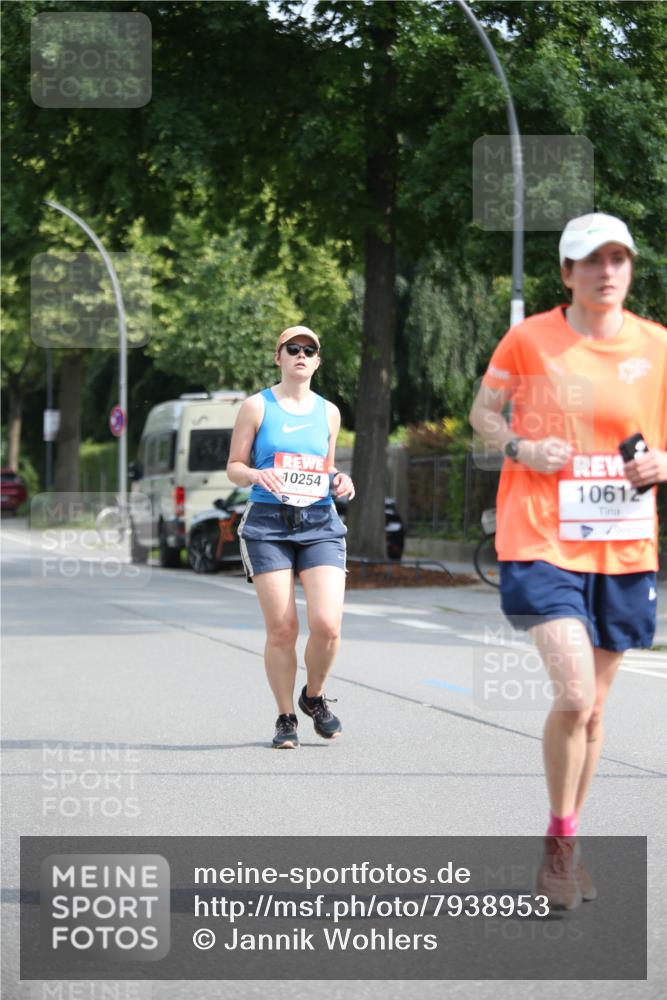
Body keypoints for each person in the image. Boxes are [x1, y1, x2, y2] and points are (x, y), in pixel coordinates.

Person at [469, 213, 667, 909]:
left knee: (595, 709)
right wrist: (520, 446)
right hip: (539, 540)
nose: (605, 271)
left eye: (617, 259)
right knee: (575, 694)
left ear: (629, 268)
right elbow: (482, 412)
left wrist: (659, 463)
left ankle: (567, 837)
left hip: (622, 543)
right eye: (590, 260)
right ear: (565, 273)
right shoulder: (530, 339)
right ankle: (558, 849)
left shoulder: (657, 346)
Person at [227, 326, 355, 749]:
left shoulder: (329, 412)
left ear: (318, 362)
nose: (301, 355)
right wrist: (252, 473)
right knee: (283, 629)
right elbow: (234, 466)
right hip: (268, 524)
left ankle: (313, 696)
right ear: (278, 356)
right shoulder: (256, 406)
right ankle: (285, 717)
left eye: (310, 350)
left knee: (327, 625)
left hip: (319, 521)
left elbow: (327, 468)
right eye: (293, 348)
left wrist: (340, 480)